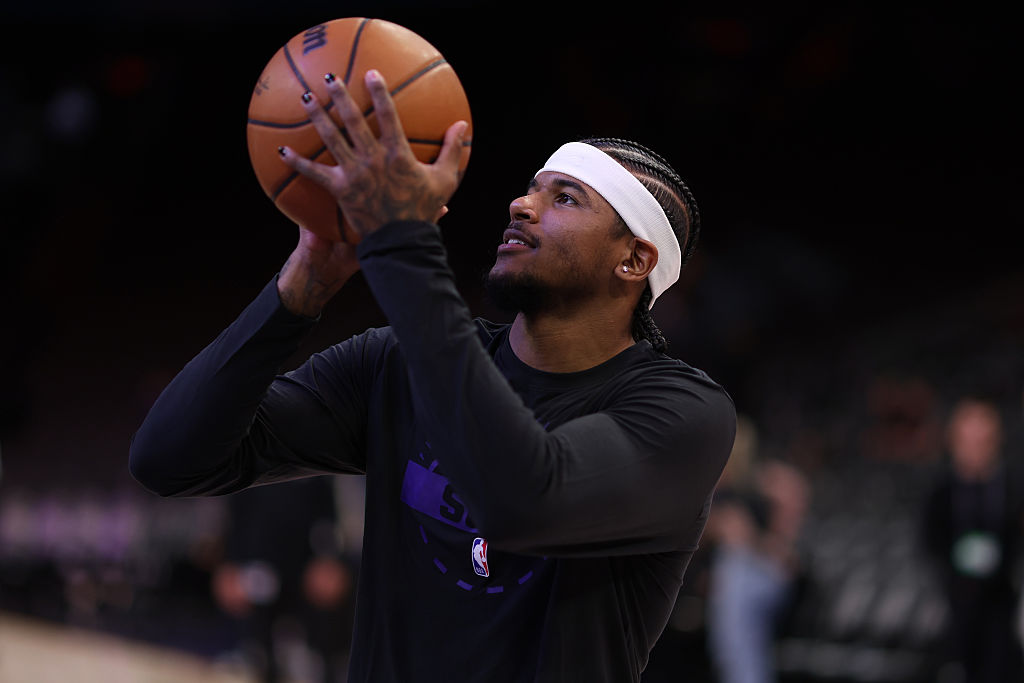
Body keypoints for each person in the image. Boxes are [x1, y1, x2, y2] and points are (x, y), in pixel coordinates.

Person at [129, 69, 736, 682]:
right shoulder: (395, 362)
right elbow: (169, 459)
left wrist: (402, 242)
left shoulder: (683, 413)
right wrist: (301, 285)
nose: (521, 205)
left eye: (566, 198)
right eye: (531, 188)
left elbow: (522, 500)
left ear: (633, 260)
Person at [922, 395, 1024, 683]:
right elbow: (930, 541)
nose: (976, 450)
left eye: (984, 441)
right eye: (969, 441)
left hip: (1000, 607)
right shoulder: (940, 492)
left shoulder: (1012, 489)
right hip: (955, 607)